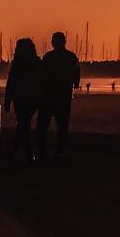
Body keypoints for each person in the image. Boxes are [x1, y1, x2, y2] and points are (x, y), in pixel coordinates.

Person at [37, 31, 80, 164]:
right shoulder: (72, 57)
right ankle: (59, 152)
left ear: (53, 42)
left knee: (43, 125)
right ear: (64, 42)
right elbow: (76, 79)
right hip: (64, 96)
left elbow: (41, 76)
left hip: (48, 96)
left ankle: (43, 152)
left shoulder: (48, 57)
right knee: (62, 126)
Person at [2, 38, 43, 166]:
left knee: (23, 124)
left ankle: (19, 154)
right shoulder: (36, 62)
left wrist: (7, 100)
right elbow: (43, 80)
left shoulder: (17, 64)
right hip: (32, 98)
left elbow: (11, 83)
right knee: (24, 125)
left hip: (20, 98)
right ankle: (26, 154)